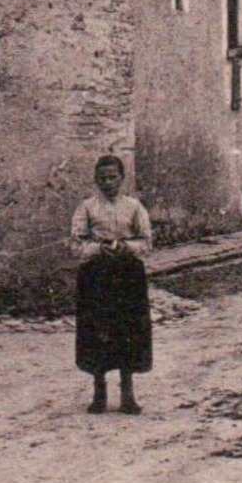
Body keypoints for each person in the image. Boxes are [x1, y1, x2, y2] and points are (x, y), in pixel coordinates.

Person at [72, 154, 153, 414]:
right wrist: (98, 249)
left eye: (112, 177)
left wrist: (126, 246)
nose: (108, 183)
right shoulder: (86, 207)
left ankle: (127, 394)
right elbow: (76, 244)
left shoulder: (134, 207)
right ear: (96, 180)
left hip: (127, 274)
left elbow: (146, 242)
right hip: (96, 276)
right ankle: (99, 393)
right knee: (98, 330)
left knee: (128, 330)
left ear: (122, 178)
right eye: (102, 178)